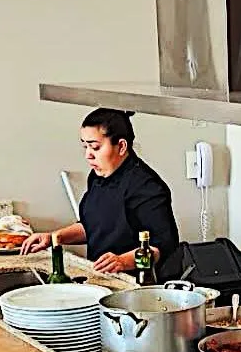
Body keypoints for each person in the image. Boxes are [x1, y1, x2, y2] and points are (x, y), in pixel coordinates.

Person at [21, 108, 179, 276]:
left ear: (121, 146)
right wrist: (54, 238)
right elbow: (92, 226)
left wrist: (123, 261)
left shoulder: (148, 188)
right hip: (100, 276)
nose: (88, 155)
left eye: (95, 147)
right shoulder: (98, 177)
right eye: (85, 146)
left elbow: (161, 248)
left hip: (137, 282)